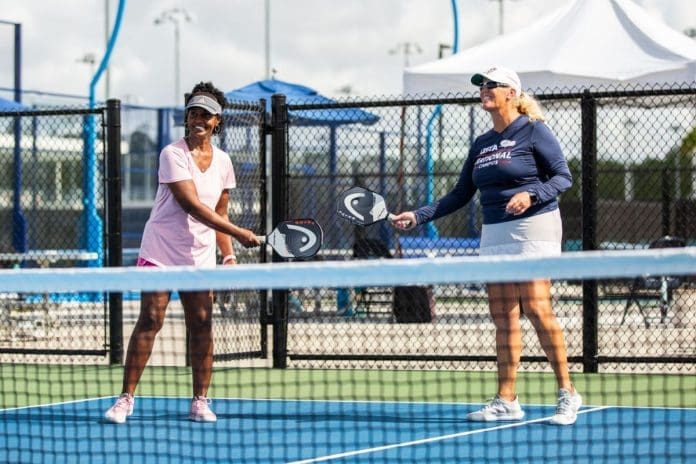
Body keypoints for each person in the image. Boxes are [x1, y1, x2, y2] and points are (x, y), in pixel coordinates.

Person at [391, 66, 582, 426]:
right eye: (482, 85)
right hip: (494, 231)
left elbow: (562, 176)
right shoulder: (481, 144)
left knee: (538, 309)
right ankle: (507, 399)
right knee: (504, 316)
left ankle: (567, 392)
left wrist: (531, 193)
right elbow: (461, 194)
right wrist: (418, 216)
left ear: (511, 92)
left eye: (492, 85)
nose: (484, 89)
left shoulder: (534, 130)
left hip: (534, 226)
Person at [105, 82, 260, 424]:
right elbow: (191, 205)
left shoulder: (223, 162)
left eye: (205, 114)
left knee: (202, 323)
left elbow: (221, 214)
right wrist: (242, 234)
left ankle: (200, 401)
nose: (197, 119)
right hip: (160, 250)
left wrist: (230, 255)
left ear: (217, 121)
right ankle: (125, 399)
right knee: (151, 318)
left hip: (200, 256)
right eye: (193, 112)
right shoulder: (172, 154)